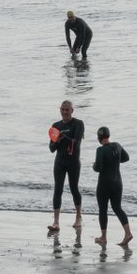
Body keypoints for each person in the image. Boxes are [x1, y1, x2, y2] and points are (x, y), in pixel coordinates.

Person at [91, 126, 134, 247]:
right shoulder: (117, 145)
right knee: (117, 207)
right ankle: (128, 233)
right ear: (108, 135)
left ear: (99, 138)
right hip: (118, 183)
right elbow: (126, 158)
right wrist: (114, 160)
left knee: (103, 209)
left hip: (104, 183)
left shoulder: (100, 150)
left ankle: (103, 237)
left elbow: (98, 168)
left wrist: (94, 165)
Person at [48, 99, 86, 233]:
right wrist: (57, 140)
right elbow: (52, 148)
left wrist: (64, 137)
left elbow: (76, 143)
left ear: (72, 111)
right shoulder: (55, 125)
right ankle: (56, 222)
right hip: (60, 162)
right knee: (57, 189)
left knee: (73, 188)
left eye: (67, 110)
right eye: (63, 110)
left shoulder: (78, 124)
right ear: (60, 110)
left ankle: (78, 217)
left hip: (73, 162)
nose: (65, 112)